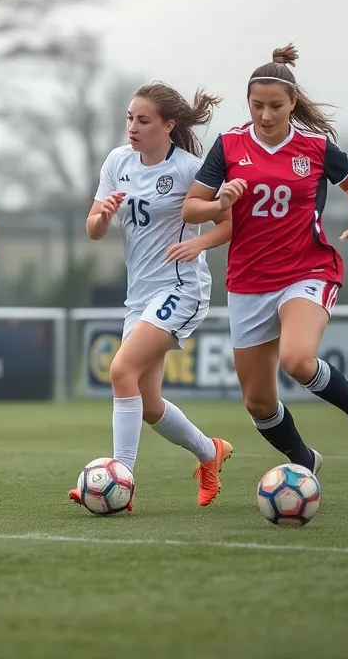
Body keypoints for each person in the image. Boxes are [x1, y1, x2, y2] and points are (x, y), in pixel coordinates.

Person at [183, 44, 348, 476]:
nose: (264, 115)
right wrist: (219, 200)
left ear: (293, 103)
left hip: (307, 270)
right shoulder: (229, 146)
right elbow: (191, 209)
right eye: (256, 105)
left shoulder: (315, 147)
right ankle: (303, 461)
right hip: (248, 281)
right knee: (258, 402)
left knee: (298, 360)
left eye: (275, 106)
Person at [70, 82, 233, 511]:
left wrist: (200, 245)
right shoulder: (117, 162)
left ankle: (120, 483)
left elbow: (232, 223)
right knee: (148, 404)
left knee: (121, 368)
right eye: (129, 118)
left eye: (143, 120)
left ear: (168, 125)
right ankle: (209, 452)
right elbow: (93, 228)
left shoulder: (188, 169)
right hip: (138, 297)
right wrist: (102, 216)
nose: (132, 127)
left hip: (181, 288)